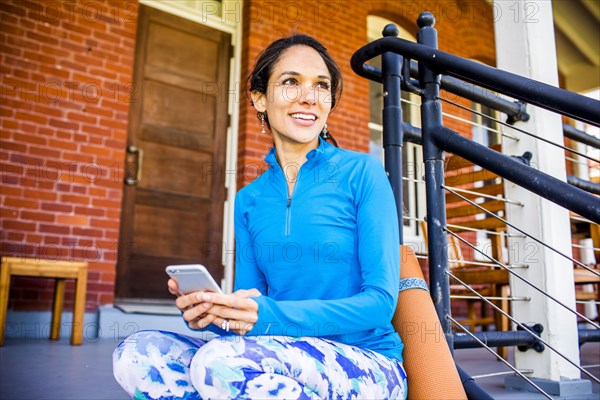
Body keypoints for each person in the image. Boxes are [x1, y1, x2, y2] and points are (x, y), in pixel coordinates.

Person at [113, 34, 408, 399]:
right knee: (139, 354)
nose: (309, 97)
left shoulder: (363, 173)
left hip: (369, 364)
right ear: (258, 98)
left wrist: (264, 316)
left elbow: (380, 305)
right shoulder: (248, 200)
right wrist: (215, 313)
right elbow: (253, 308)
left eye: (321, 86)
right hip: (275, 356)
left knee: (218, 363)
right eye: (290, 82)